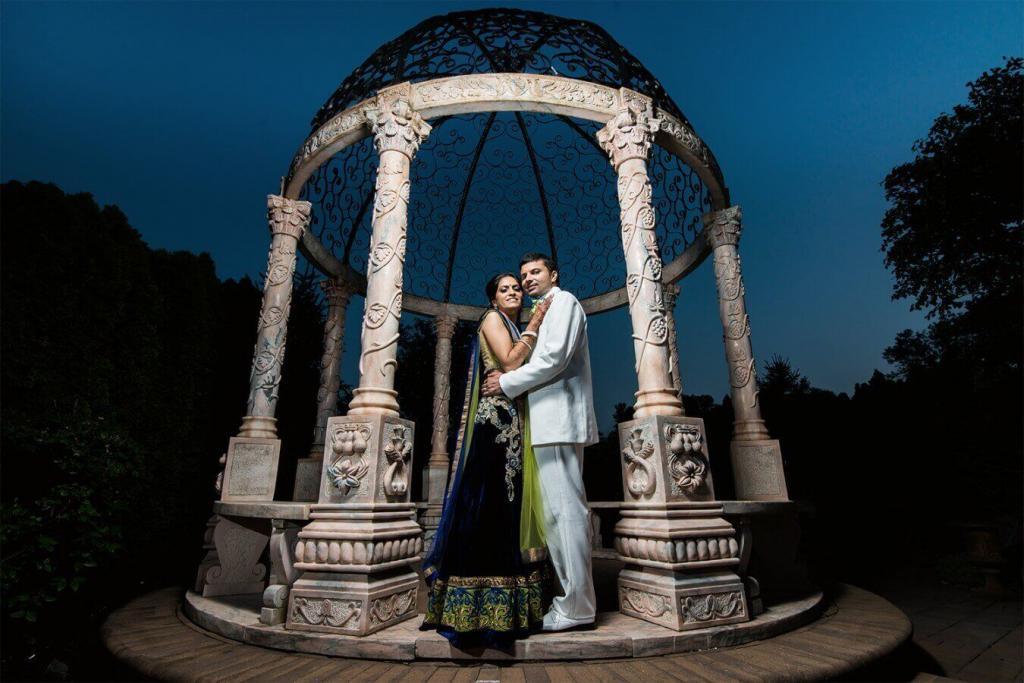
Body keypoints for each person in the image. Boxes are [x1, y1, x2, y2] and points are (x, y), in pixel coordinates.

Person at [421, 272, 553, 648]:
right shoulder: (493, 320)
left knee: (506, 507)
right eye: (504, 289)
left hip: (511, 423)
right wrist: (536, 323)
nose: (513, 291)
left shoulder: (511, 323)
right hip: (494, 427)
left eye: (516, 287)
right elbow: (511, 363)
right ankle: (476, 608)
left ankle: (508, 606)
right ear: (494, 298)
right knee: (489, 504)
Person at [482, 253, 599, 632]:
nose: (528, 279)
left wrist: (506, 383)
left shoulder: (564, 302)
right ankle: (570, 600)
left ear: (554, 274)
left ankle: (577, 607)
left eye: (535, 272)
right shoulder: (545, 309)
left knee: (566, 513)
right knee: (555, 514)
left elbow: (554, 359)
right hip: (547, 422)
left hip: (559, 420)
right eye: (523, 275)